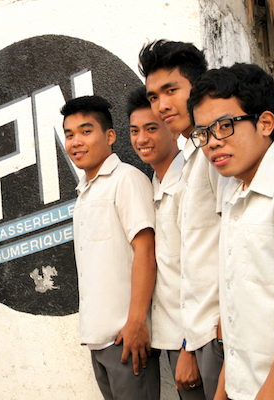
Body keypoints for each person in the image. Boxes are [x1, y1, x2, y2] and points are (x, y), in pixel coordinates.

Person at [188, 63, 274, 400]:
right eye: (203, 133)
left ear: (265, 122)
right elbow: (242, 313)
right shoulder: (234, 191)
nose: (211, 143)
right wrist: (224, 392)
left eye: (224, 126)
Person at [139, 39, 225, 399]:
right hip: (199, 334)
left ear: (197, 87)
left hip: (218, 335)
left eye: (170, 90)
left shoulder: (218, 154)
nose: (161, 105)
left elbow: (229, 248)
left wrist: (198, 342)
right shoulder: (190, 159)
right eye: (154, 96)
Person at [62, 95, 159, 400]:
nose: (76, 141)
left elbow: (146, 251)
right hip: (98, 340)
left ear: (110, 136)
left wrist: (136, 322)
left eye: (86, 131)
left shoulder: (126, 179)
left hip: (127, 338)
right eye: (69, 134)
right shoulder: (86, 192)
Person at [127, 86, 206, 400]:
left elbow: (199, 270)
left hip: (194, 342)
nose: (141, 139)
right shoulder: (154, 183)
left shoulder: (189, 183)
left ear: (172, 131)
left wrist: (189, 346)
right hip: (171, 338)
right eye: (134, 131)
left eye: (151, 129)